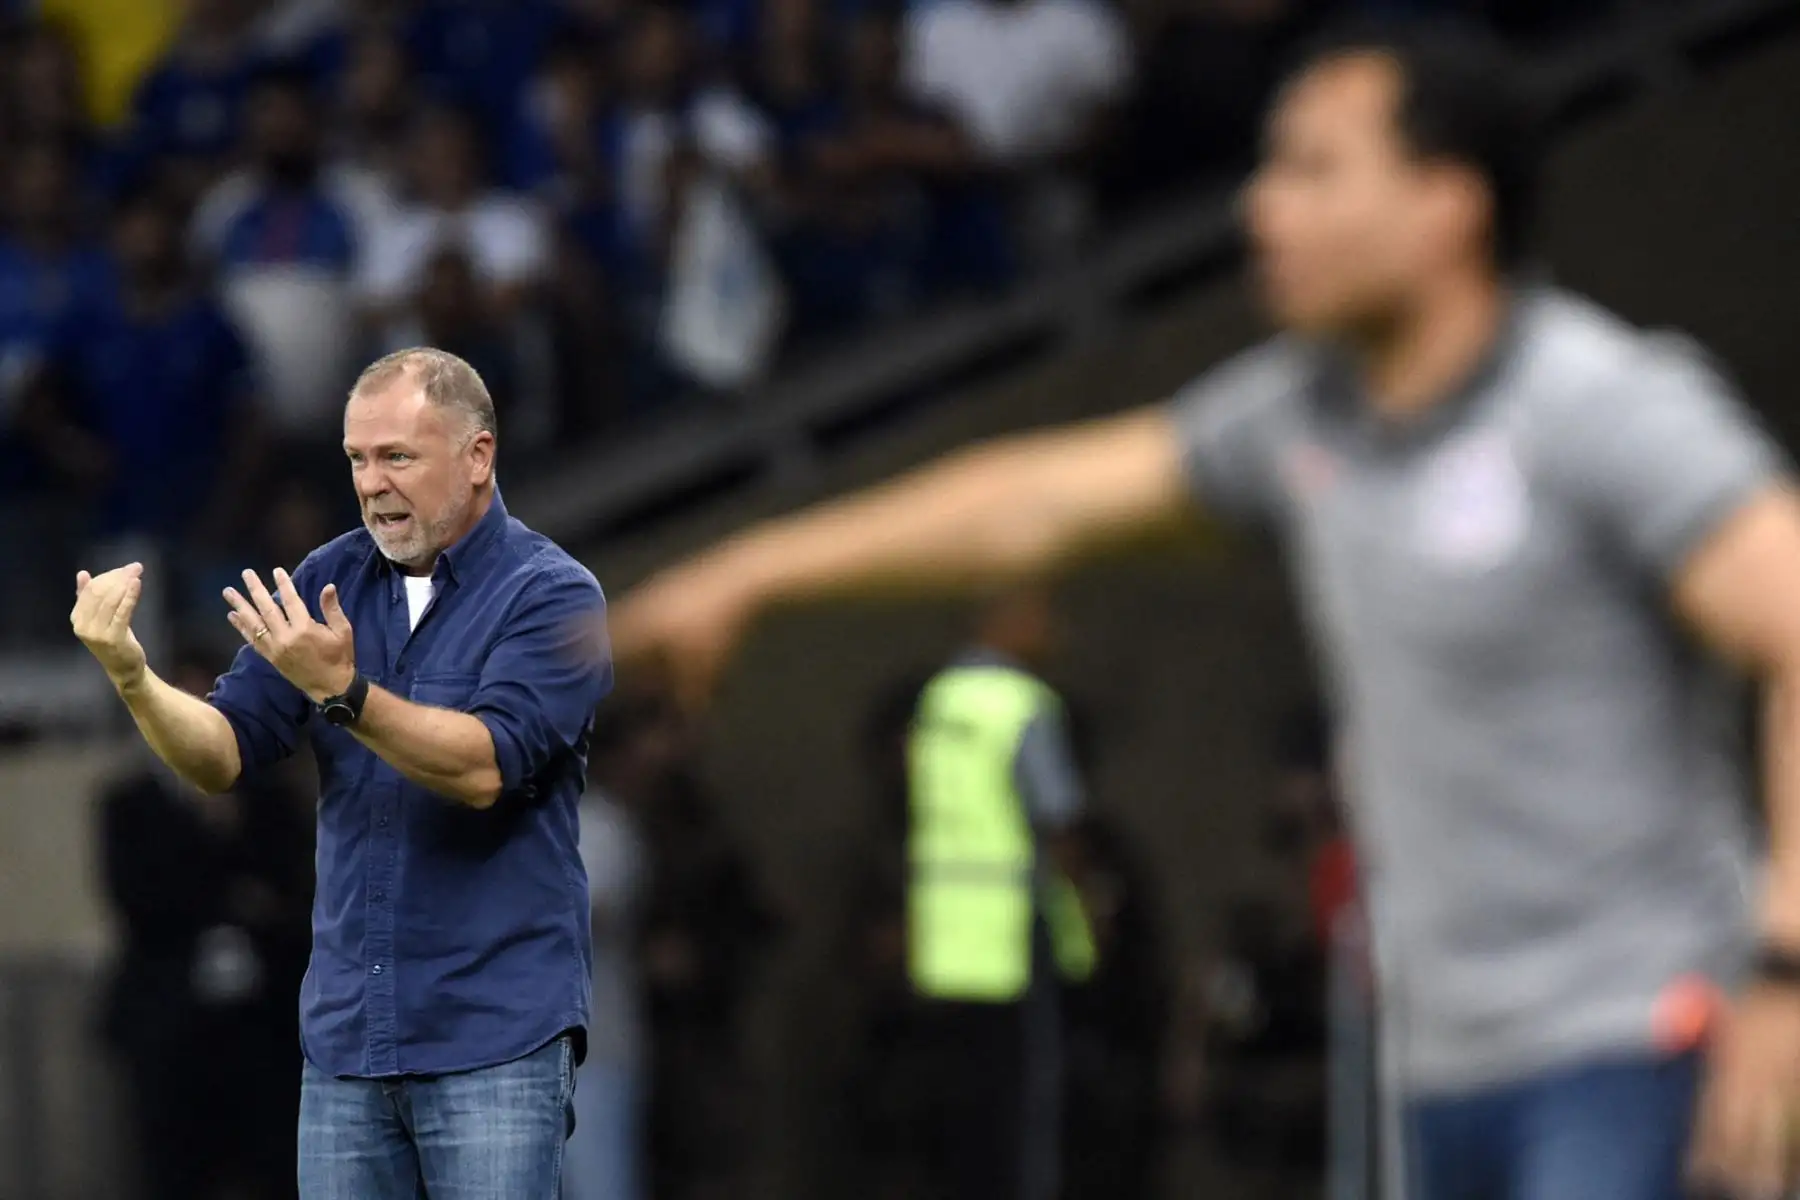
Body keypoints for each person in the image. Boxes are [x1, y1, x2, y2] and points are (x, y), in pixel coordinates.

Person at [606, 20, 1800, 1200]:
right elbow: (1031, 503)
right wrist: (760, 566)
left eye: (1314, 169)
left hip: (1640, 1034)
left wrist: (1786, 972)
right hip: (1441, 1063)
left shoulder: (1597, 405)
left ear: (1449, 203)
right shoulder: (1302, 419)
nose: (1262, 209)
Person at [70, 346, 613, 1199]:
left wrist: (344, 692)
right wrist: (132, 677)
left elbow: (482, 767)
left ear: (478, 457)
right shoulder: (329, 576)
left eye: (398, 455)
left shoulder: (552, 595)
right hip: (346, 1046)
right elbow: (219, 755)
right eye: (358, 458)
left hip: (495, 1038)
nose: (371, 483)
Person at [899, 587, 1096, 1200]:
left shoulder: (937, 701)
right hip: (1014, 930)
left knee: (965, 1107)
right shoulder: (1020, 703)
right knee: (1028, 1110)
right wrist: (1090, 904)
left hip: (950, 935)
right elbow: (1058, 819)